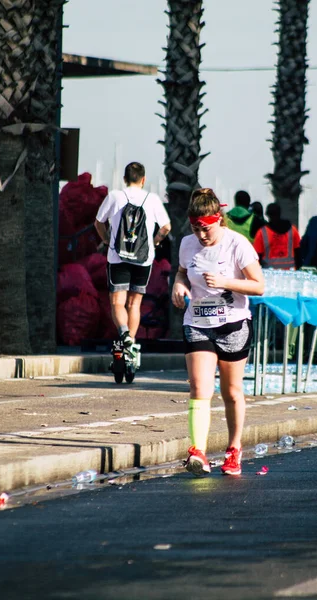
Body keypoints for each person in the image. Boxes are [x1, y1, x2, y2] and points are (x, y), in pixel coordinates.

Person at [171, 188, 264, 477]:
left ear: (219, 220)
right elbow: (183, 270)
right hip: (198, 324)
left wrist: (226, 281)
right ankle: (197, 451)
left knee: (231, 392)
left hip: (233, 325)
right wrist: (179, 283)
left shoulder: (237, 244)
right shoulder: (187, 244)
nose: (201, 235)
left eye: (207, 228)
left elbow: (259, 285)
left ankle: (234, 449)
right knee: (200, 387)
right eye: (196, 229)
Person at [94, 162, 171, 348]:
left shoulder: (115, 196)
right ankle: (131, 345)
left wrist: (106, 240)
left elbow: (98, 222)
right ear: (143, 180)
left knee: (117, 302)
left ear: (124, 179)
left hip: (117, 256)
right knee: (134, 304)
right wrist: (154, 242)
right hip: (143, 259)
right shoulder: (152, 199)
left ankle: (124, 334)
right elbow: (166, 227)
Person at [253, 202, 301, 269]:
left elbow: (257, 256)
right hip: (290, 273)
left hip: (269, 274)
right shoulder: (292, 230)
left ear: (267, 215)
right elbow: (298, 252)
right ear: (280, 213)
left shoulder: (262, 232)